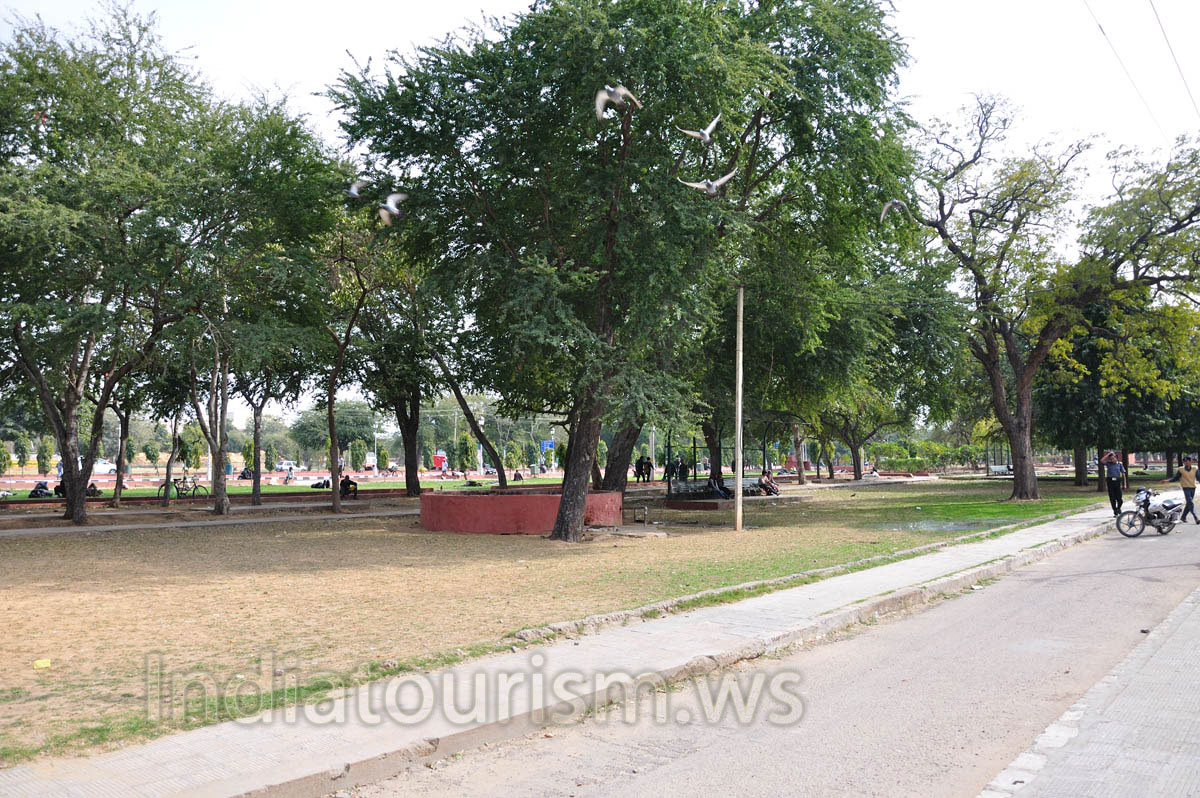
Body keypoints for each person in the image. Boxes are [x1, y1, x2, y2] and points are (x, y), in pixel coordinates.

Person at [1164, 455, 1200, 524]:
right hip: (1185, 488)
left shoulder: (1195, 468)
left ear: (1191, 461)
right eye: (1184, 461)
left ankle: (1183, 517)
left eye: (1187, 461)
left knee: (1189, 503)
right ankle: (1196, 518)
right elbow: (1175, 478)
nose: (1186, 463)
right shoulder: (1181, 469)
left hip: (1193, 487)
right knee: (1190, 502)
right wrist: (1167, 481)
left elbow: (1198, 478)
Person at [1101, 451, 1127, 516]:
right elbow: (1102, 460)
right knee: (1112, 498)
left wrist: (1124, 484)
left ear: (1116, 458)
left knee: (1119, 498)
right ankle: (1115, 511)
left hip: (1117, 481)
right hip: (1110, 482)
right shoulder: (1108, 464)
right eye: (1111, 459)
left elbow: (1123, 474)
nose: (1112, 460)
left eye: (1113, 458)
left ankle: (1118, 508)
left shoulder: (1120, 464)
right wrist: (1108, 454)